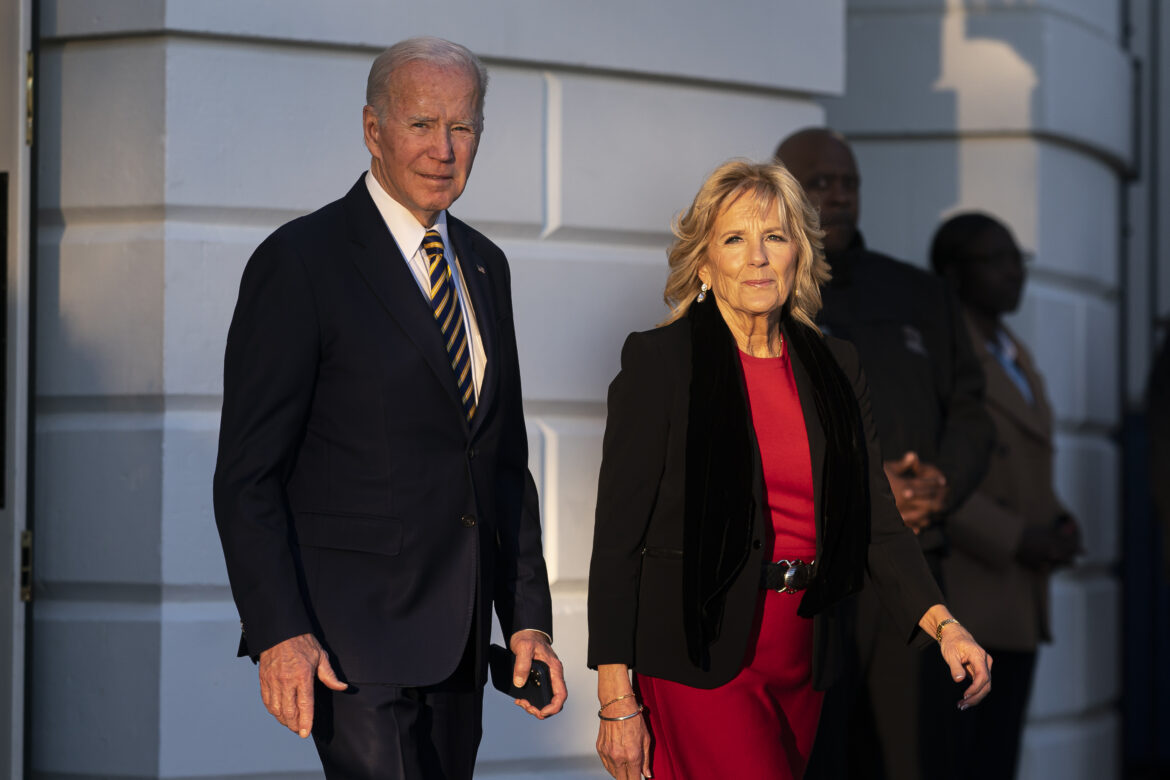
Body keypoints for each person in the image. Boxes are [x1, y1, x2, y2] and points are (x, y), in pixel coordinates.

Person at [212, 37, 566, 780]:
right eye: (421, 124)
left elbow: (500, 463)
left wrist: (526, 616)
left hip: (462, 642)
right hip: (352, 645)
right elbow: (248, 475)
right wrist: (280, 632)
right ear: (373, 130)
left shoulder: (484, 265)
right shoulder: (301, 261)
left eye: (462, 127)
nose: (444, 148)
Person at [586, 159, 992, 780]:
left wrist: (944, 626)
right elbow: (619, 540)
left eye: (774, 237)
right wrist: (617, 700)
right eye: (734, 239)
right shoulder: (661, 362)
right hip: (698, 657)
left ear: (799, 254)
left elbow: (876, 519)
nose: (757, 258)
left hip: (803, 655)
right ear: (703, 262)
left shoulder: (834, 364)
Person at [775, 128, 995, 780]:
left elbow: (971, 411)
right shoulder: (767, 297)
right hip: (812, 582)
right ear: (786, 192)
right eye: (820, 183)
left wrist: (941, 484)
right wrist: (869, 495)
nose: (838, 197)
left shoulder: (919, 295)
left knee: (913, 760)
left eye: (849, 183)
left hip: (912, 579)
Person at [930, 211, 1080, 778]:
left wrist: (1059, 521)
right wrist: (1017, 536)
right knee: (965, 759)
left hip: (1019, 593)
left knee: (997, 757)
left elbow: (1029, 463)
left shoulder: (1012, 351)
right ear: (952, 274)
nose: (1013, 273)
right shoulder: (949, 353)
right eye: (994, 260)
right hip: (971, 597)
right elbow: (933, 479)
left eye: (1017, 259)